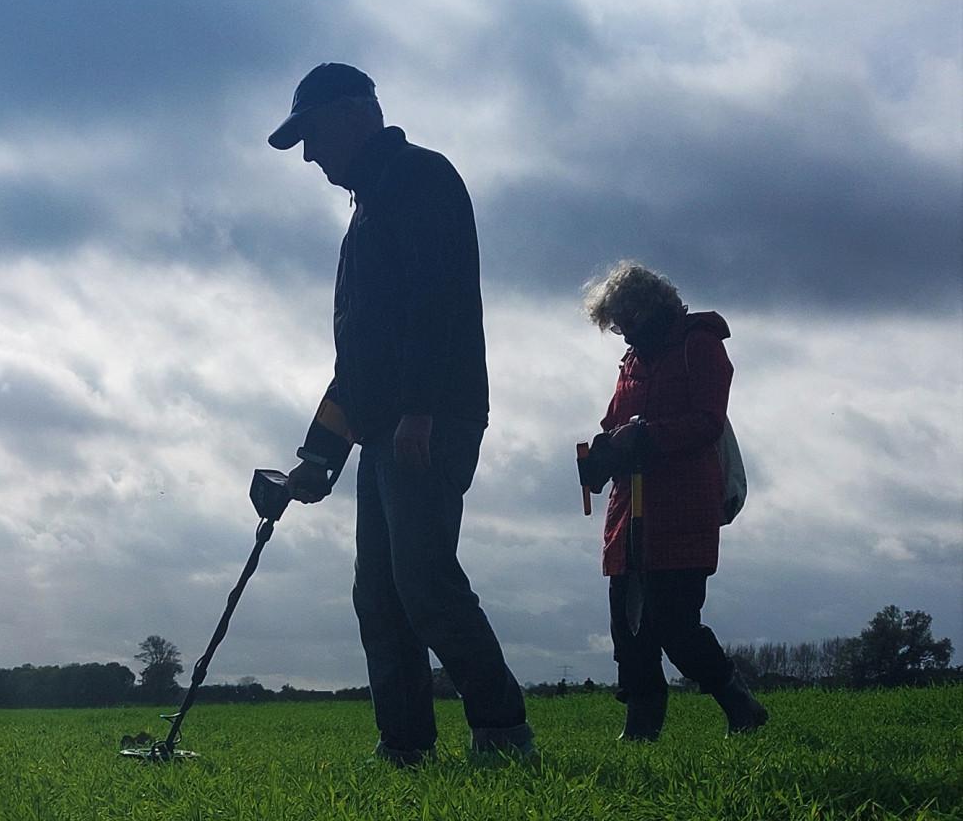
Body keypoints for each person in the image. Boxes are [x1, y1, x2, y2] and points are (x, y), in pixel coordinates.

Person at [267, 62, 535, 766]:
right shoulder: (367, 208)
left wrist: (419, 409)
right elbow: (360, 358)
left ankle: (503, 731)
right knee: (380, 594)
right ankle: (405, 744)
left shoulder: (419, 178)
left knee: (422, 579)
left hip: (429, 421)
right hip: (387, 430)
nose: (308, 154)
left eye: (311, 133)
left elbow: (436, 301)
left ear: (356, 114)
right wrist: (318, 454)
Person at [580, 262, 768, 740]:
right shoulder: (632, 361)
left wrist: (644, 437)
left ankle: (738, 703)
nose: (622, 334)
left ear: (648, 308)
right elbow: (615, 424)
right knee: (630, 629)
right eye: (616, 325)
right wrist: (603, 456)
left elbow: (708, 421)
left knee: (674, 624)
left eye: (625, 321)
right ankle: (641, 729)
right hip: (630, 517)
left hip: (683, 509)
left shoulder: (700, 346)